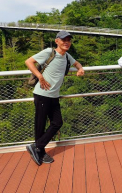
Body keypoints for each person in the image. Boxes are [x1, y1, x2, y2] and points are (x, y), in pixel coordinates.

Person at [25, 30, 84, 165]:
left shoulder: (67, 56)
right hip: (42, 94)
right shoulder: (49, 52)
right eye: (63, 40)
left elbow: (77, 63)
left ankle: (37, 146)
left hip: (54, 96)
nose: (66, 42)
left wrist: (80, 68)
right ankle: (40, 151)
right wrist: (40, 76)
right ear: (57, 41)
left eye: (68, 40)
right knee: (40, 124)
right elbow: (28, 62)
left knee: (57, 122)